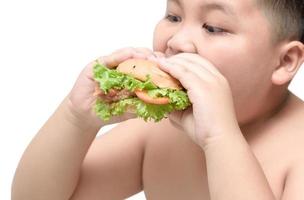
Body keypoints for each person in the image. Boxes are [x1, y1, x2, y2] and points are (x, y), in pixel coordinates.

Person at [12, 0, 304, 199]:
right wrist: (75, 119)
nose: (176, 41)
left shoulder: (297, 151)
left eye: (213, 27)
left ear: (284, 61)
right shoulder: (155, 131)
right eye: (173, 16)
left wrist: (220, 139)